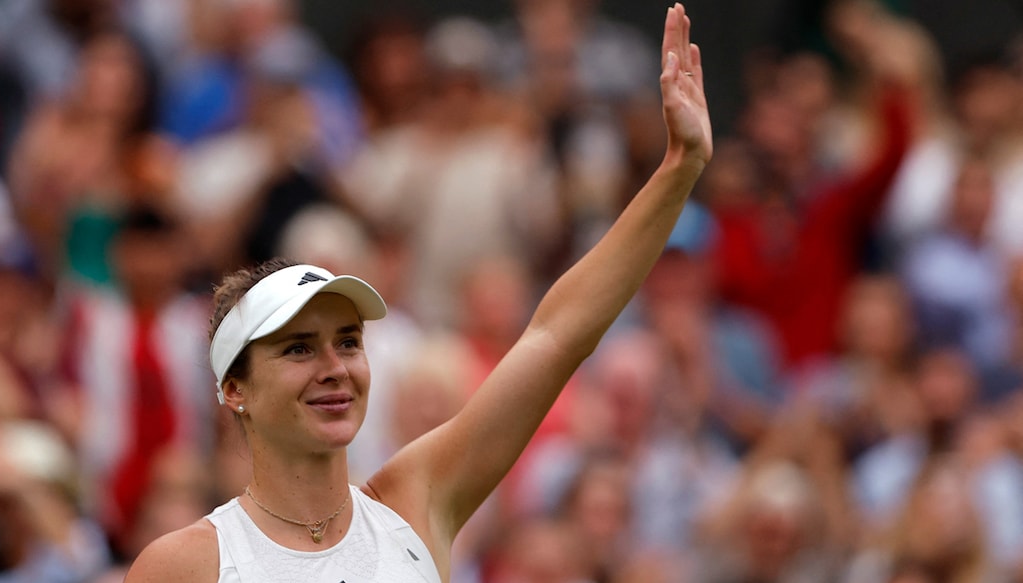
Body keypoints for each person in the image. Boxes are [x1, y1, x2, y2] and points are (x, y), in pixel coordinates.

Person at [123, 3, 712, 581]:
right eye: (300, 347)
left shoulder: (413, 504)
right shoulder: (183, 565)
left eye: (348, 342)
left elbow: (558, 334)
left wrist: (678, 170)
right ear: (234, 390)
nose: (335, 367)